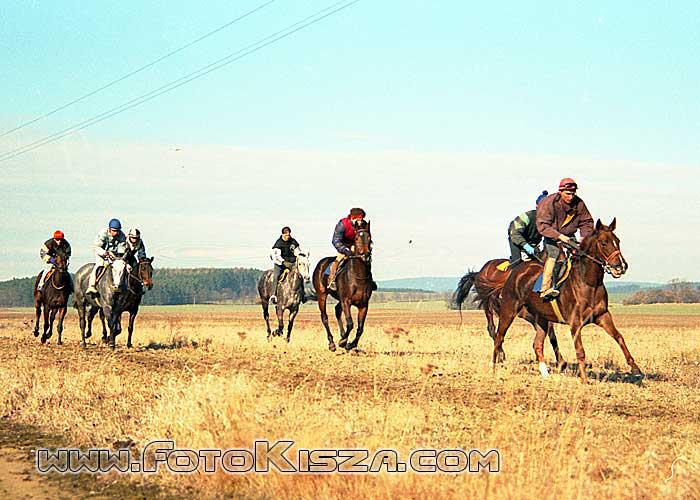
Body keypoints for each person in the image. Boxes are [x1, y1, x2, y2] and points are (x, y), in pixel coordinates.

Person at [536, 178, 594, 299]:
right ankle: (545, 288)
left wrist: (584, 237)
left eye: (573, 194)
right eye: (567, 194)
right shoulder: (549, 203)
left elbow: (587, 221)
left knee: (580, 256)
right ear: (560, 192)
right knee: (554, 255)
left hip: (569, 236)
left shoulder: (579, 204)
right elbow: (543, 226)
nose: (571, 197)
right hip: (551, 236)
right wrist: (559, 236)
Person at [327, 207, 376, 291]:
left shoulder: (363, 224)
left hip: (357, 246)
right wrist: (345, 250)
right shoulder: (343, 224)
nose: (361, 221)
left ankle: (370, 281)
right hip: (344, 245)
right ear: (353, 218)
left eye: (362, 219)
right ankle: (332, 280)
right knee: (338, 261)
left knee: (366, 260)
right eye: (359, 219)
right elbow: (335, 240)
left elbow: (366, 237)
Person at [86, 218, 127, 296]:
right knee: (99, 265)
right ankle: (91, 286)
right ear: (109, 229)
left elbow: (122, 249)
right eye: (114, 231)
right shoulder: (103, 233)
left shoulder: (121, 235)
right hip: (101, 253)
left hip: (114, 255)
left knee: (121, 267)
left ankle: (122, 285)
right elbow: (97, 246)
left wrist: (118, 257)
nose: (116, 233)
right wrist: (104, 253)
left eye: (117, 231)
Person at [507, 190, 549, 265]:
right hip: (516, 240)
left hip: (532, 244)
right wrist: (525, 245)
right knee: (517, 261)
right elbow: (515, 234)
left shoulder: (549, 220)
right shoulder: (526, 217)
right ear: (537, 206)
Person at [269, 226, 305, 304]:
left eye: (288, 235)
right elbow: (276, 256)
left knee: (300, 275)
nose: (287, 237)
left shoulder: (293, 242)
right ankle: (273, 295)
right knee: (276, 276)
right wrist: (283, 262)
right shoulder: (278, 243)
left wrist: (300, 255)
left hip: (292, 263)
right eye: (286, 235)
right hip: (280, 264)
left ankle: (302, 295)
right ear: (282, 235)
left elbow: (297, 251)